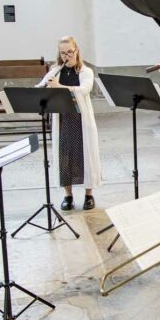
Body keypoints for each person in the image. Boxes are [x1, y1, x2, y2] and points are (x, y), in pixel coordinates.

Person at [38, 36, 102, 210]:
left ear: (77, 51)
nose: (67, 56)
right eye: (63, 53)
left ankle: (89, 195)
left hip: (81, 119)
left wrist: (60, 87)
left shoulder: (85, 71)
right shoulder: (55, 71)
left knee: (85, 155)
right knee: (64, 157)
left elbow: (85, 89)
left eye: (70, 52)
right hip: (63, 119)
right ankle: (68, 196)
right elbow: (39, 88)